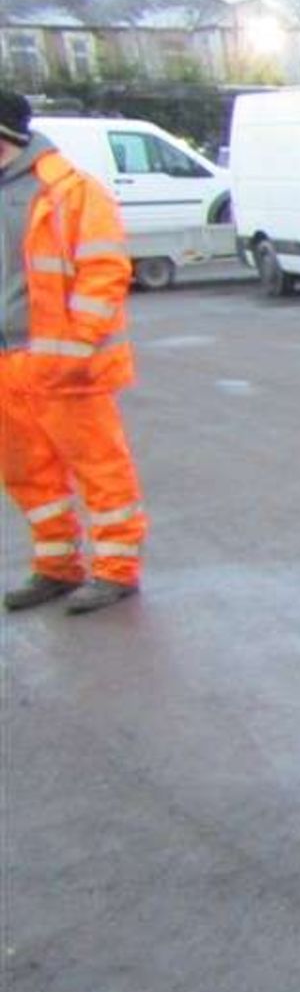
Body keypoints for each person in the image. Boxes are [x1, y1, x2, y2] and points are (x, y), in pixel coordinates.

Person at [0, 89, 147, 613]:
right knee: (28, 472)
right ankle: (56, 566)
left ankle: (116, 571)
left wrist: (77, 344)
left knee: (100, 470)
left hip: (65, 364)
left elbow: (104, 270)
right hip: (8, 362)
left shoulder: (71, 192)